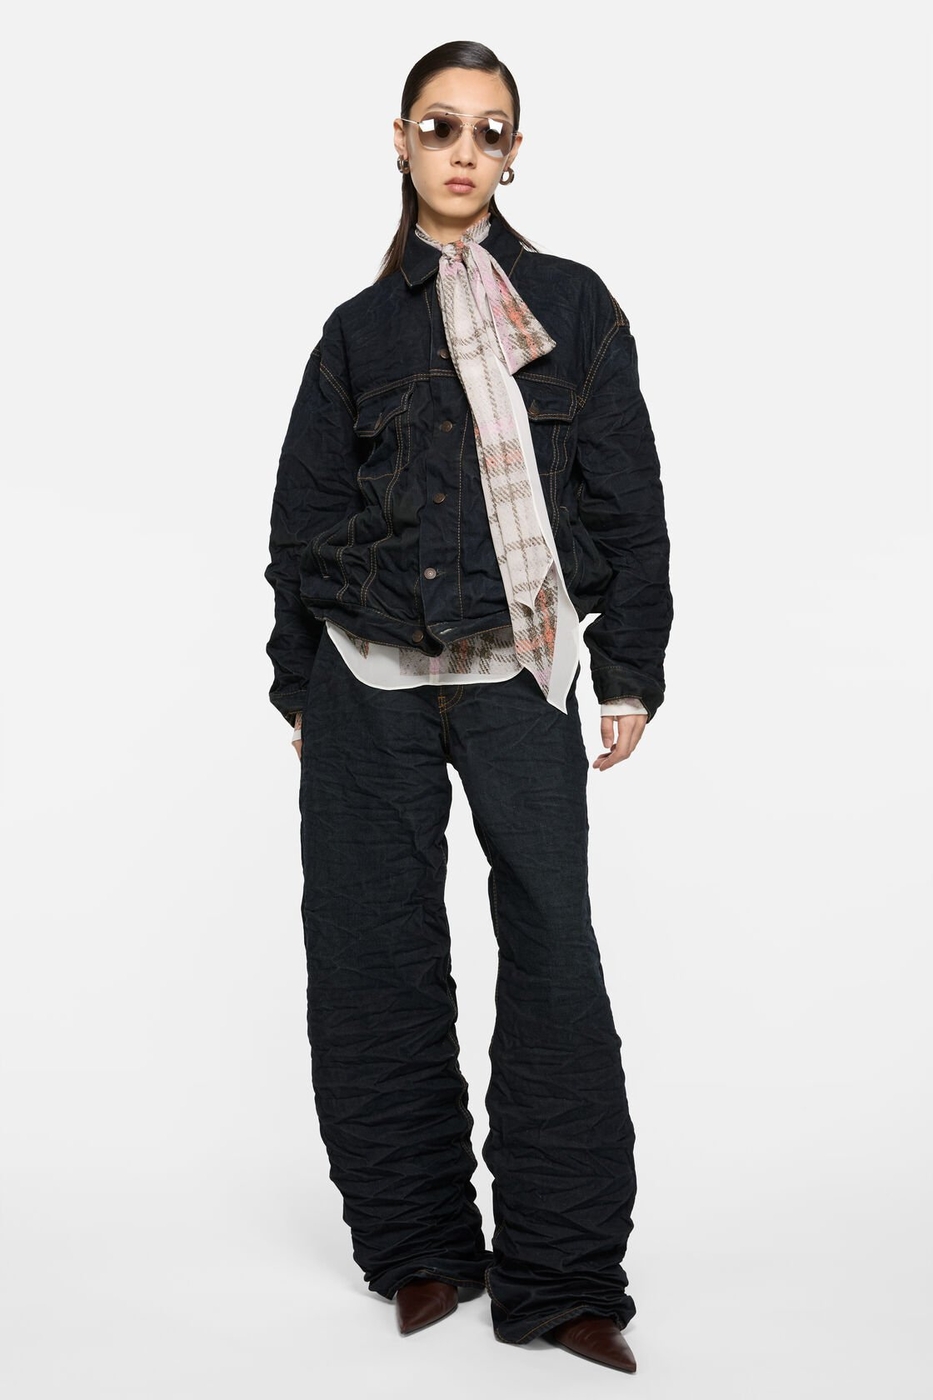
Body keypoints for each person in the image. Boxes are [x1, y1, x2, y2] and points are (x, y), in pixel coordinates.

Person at [264, 39, 673, 1374]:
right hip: (366, 677)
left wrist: (629, 667)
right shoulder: (357, 332)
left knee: (553, 955)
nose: (462, 150)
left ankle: (562, 1277)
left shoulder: (574, 306)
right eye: (439, 126)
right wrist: (297, 682)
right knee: (373, 959)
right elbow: (303, 519)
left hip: (522, 670)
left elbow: (627, 501)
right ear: (399, 140)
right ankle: (421, 1245)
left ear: (513, 153)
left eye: (488, 131)